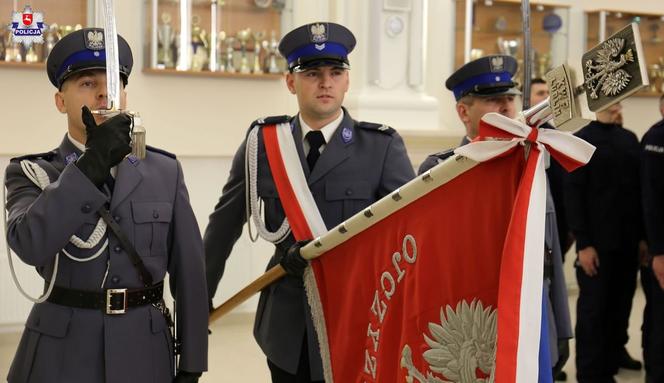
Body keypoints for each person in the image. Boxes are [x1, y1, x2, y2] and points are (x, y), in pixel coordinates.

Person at [204, 22, 415, 383]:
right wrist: (197, 299)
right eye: (313, 73)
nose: (325, 83)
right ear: (291, 82)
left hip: (359, 317)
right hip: (287, 325)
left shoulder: (381, 147)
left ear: (347, 81)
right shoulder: (263, 145)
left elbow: (408, 235)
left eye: (336, 73)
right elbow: (222, 229)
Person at [4, 28, 208, 383]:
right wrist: (90, 166)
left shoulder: (165, 171)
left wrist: (192, 360)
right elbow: (30, 244)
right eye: (86, 83)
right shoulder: (31, 171)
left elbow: (190, 272)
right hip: (62, 355)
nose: (102, 94)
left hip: (144, 350)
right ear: (60, 101)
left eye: (113, 83)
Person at [418, 56, 573, 380]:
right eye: (492, 99)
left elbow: (550, 251)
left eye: (510, 98)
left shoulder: (531, 164)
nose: (506, 107)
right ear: (464, 111)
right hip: (467, 327)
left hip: (532, 314)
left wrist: (560, 323)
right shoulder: (439, 171)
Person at [565, 102, 645, 383]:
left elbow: (639, 192)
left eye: (620, 100)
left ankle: (611, 361)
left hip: (627, 244)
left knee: (620, 306)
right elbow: (574, 196)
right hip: (595, 247)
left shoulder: (629, 139)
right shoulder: (581, 141)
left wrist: (644, 239)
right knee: (594, 312)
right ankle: (590, 373)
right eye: (611, 101)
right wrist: (584, 244)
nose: (618, 105)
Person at [529, 79, 574, 258]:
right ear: (527, 98)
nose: (547, 98)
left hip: (556, 224)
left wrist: (570, 228)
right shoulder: (516, 138)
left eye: (549, 93)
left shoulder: (558, 139)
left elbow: (566, 187)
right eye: (540, 93)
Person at [640, 93, 664, 383]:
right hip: (661, 251)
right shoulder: (656, 138)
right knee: (660, 322)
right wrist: (658, 252)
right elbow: (652, 201)